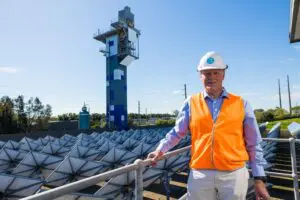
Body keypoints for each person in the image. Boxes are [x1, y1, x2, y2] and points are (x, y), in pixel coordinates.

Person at [147, 51, 270, 200]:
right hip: (200, 174)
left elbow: (253, 143)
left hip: (234, 174)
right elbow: (177, 132)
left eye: (215, 73)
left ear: (223, 75)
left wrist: (259, 178)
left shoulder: (241, 103)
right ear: (200, 76)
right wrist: (160, 150)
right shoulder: (191, 103)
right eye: (206, 73)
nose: (211, 77)